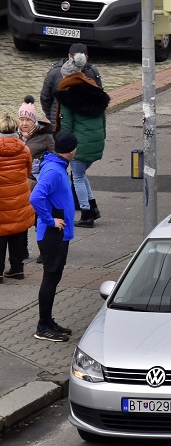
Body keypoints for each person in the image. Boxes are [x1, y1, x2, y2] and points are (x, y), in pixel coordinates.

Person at [29, 131, 78, 341]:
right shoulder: (54, 171)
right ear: (71, 150)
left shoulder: (57, 166)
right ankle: (42, 326)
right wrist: (50, 220)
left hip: (58, 233)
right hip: (52, 234)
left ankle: (48, 321)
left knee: (54, 277)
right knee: (50, 278)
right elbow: (36, 197)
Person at [55, 58, 110, 228]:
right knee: (81, 174)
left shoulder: (67, 96)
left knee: (77, 177)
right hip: (96, 142)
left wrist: (62, 145)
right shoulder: (95, 90)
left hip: (80, 144)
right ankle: (93, 207)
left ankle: (86, 214)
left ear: (66, 76)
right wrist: (102, 138)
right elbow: (103, 120)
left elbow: (66, 125)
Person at [0, 113, 36, 281]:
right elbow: (28, 172)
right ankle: (17, 269)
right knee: (17, 231)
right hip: (20, 197)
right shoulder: (24, 149)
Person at [41, 43, 102, 128]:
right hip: (68, 123)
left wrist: (53, 118)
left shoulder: (92, 73)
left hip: (71, 123)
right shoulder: (55, 73)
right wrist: (53, 118)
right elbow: (45, 98)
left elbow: (45, 98)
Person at [18, 96, 54, 182]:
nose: (24, 123)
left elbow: (55, 156)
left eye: (28, 120)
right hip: (17, 177)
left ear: (34, 121)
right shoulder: (15, 134)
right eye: (22, 120)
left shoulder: (45, 135)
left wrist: (41, 166)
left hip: (35, 179)